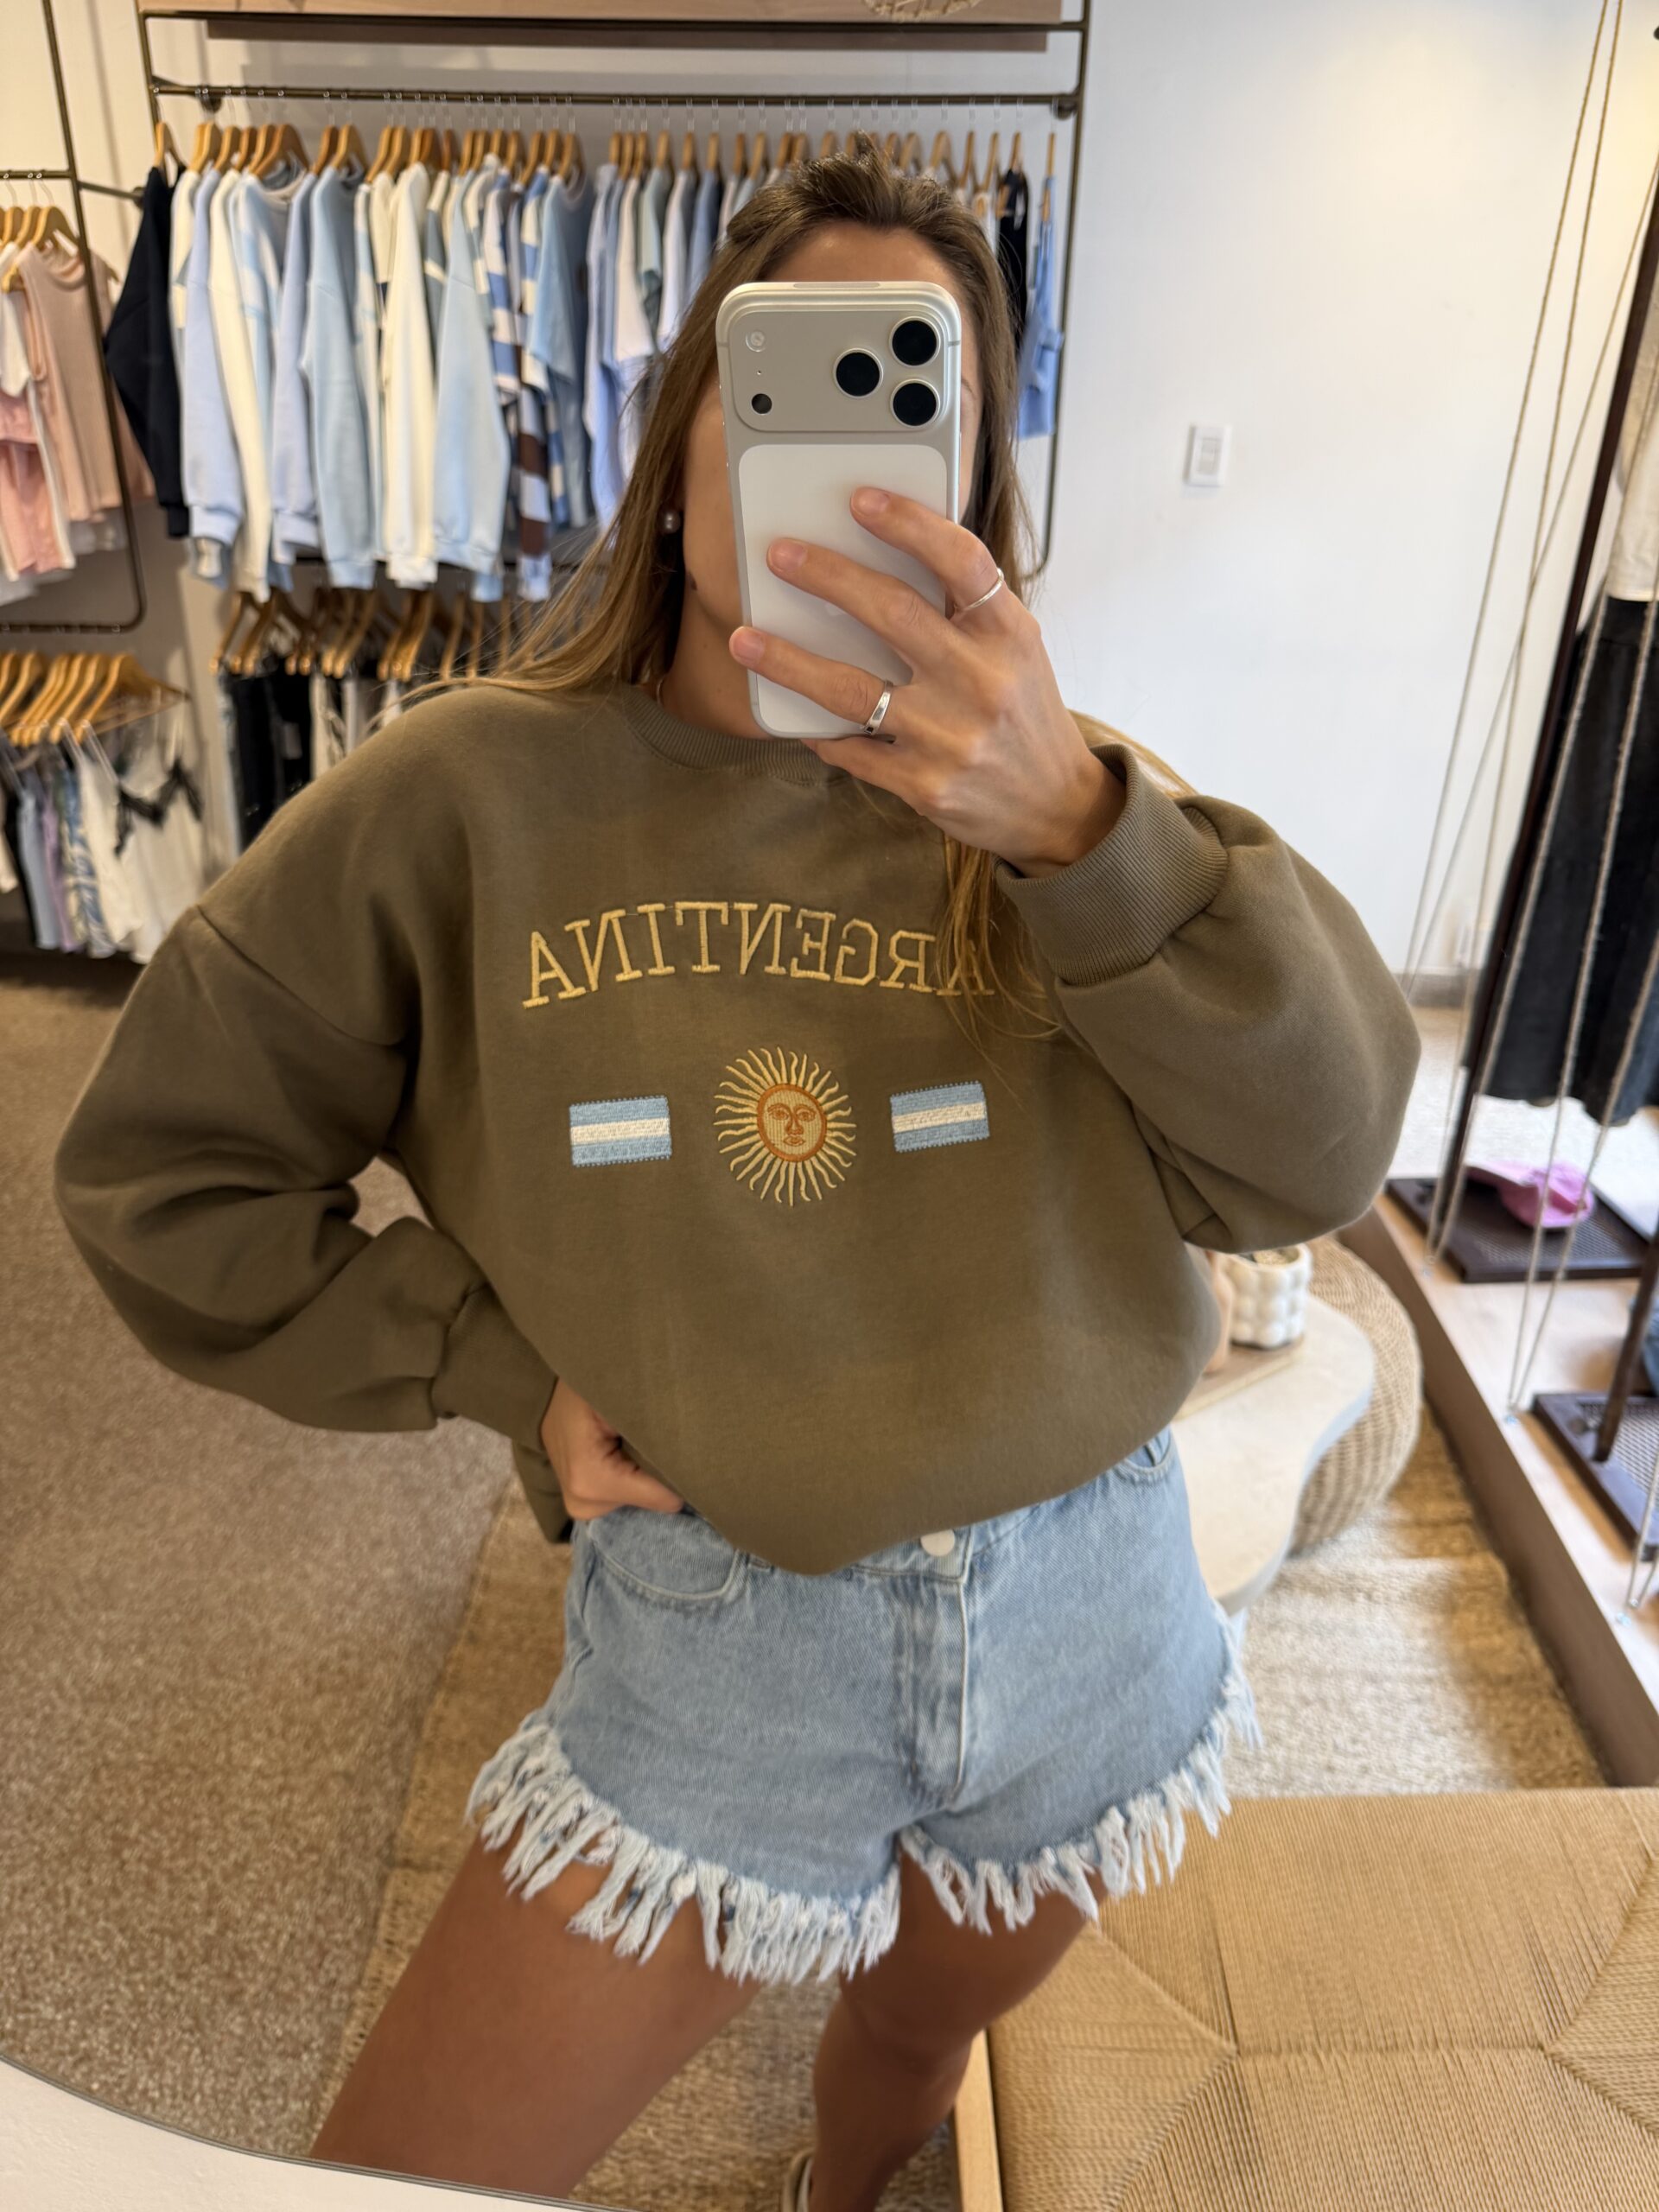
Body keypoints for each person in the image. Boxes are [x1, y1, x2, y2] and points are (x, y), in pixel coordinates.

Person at [53, 140, 1422, 2212]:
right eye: (785, 390)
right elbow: (165, 1171)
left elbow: (1315, 1153)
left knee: (919, 2050)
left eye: (910, 406)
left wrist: (1076, 825)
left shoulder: (1072, 808)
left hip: (1094, 1609)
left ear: (974, 498)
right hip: (725, 1632)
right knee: (393, 2180)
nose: (842, 471)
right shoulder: (469, 798)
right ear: (681, 451)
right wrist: (492, 1368)